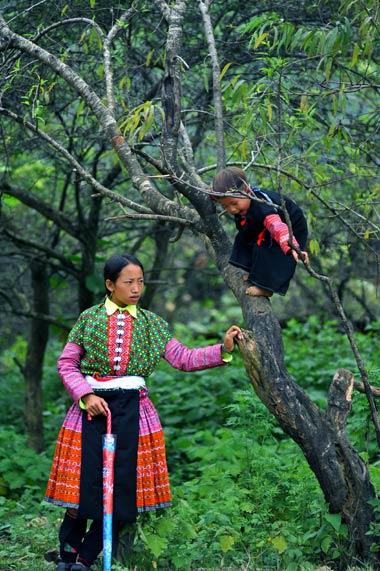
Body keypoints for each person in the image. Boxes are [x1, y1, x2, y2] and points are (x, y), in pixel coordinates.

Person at [45, 252, 242, 571]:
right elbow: (67, 364)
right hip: (90, 412)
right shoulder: (88, 319)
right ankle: (67, 557)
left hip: (135, 414)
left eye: (140, 281)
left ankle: (84, 560)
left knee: (124, 494)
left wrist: (223, 350)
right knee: (81, 492)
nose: (136, 288)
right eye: (128, 282)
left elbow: (184, 358)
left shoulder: (152, 324)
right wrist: (85, 394)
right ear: (110, 284)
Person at [211, 167, 309, 297]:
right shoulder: (243, 204)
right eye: (225, 206)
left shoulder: (263, 207)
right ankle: (254, 273)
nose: (232, 210)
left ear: (247, 191)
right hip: (265, 225)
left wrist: (293, 248)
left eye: (234, 203)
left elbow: (277, 227)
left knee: (266, 247)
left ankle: (266, 288)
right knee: (244, 238)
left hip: (291, 228)